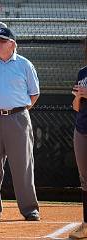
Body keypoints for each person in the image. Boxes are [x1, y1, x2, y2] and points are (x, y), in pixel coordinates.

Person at [0, 27, 40, 221]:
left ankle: (30, 209)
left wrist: (18, 110)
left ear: (12, 44)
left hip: (18, 118)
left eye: (2, 41)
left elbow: (34, 93)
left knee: (23, 165)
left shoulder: (25, 64)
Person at [69, 65, 87, 239]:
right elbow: (76, 107)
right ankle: (86, 225)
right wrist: (79, 97)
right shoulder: (83, 72)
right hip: (81, 129)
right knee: (85, 179)